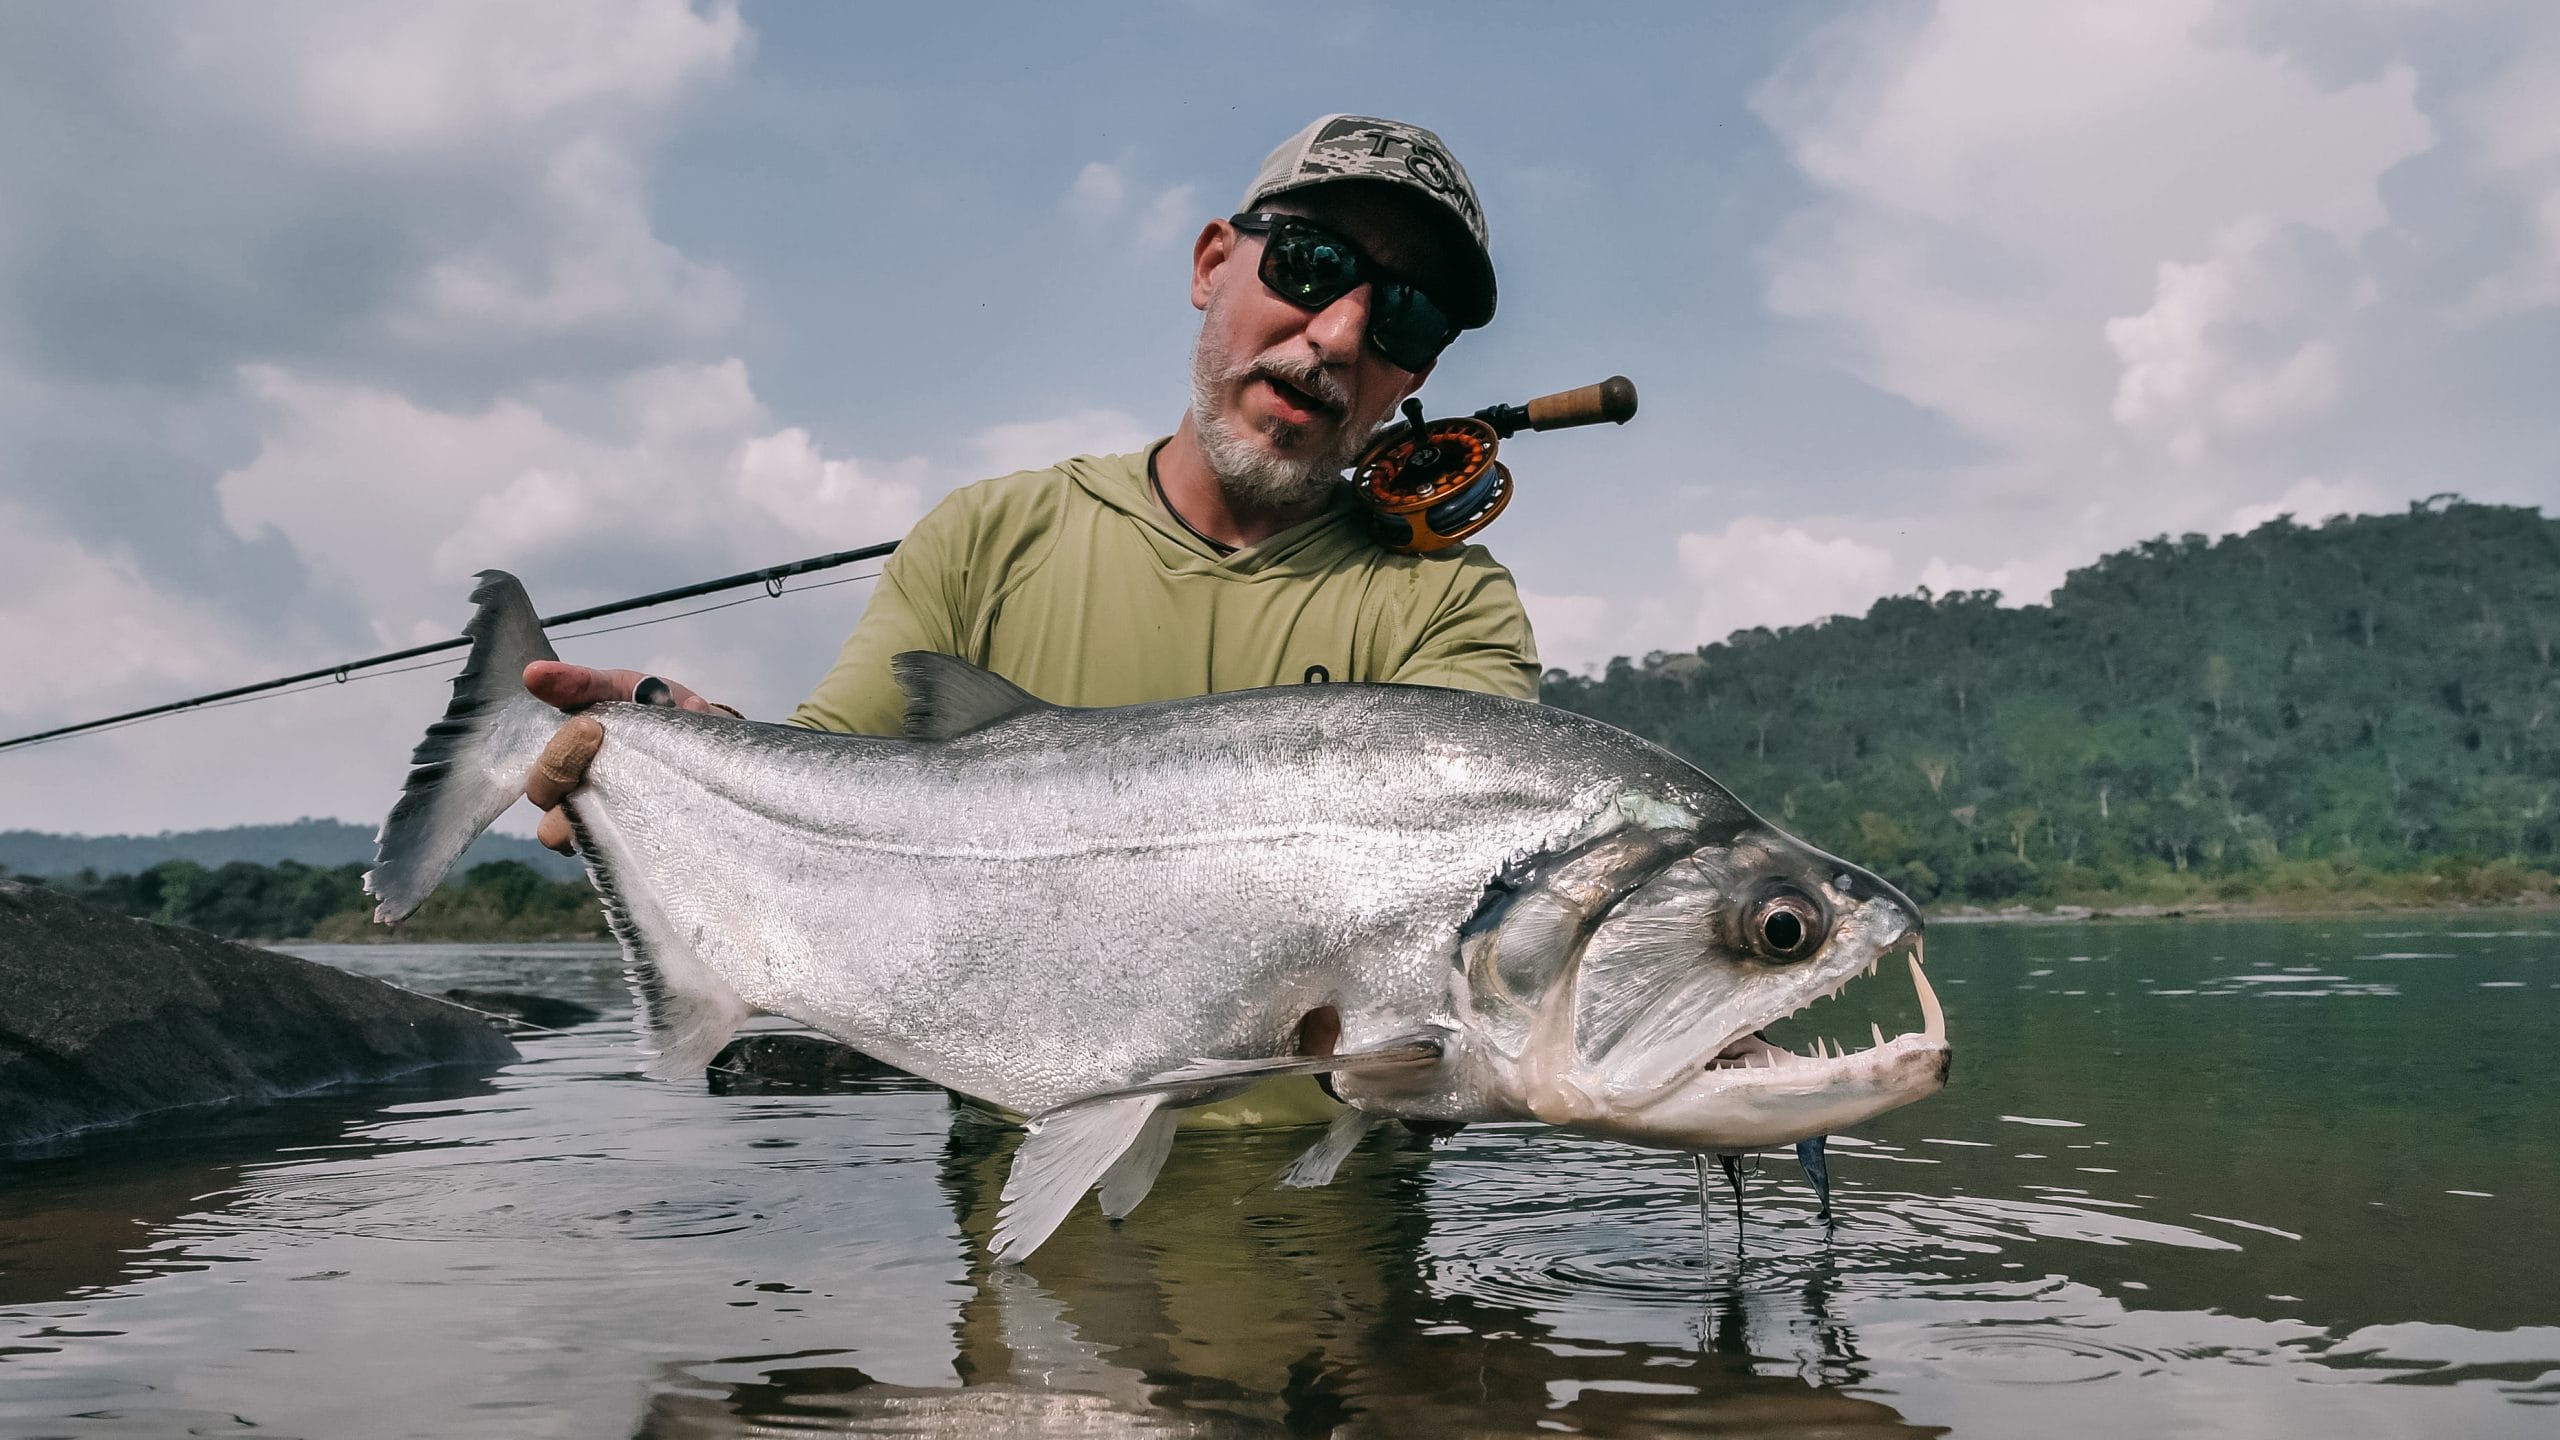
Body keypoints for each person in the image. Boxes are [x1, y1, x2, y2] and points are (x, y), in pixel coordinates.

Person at [521, 115, 1539, 1121]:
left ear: (1419, 374)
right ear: (1210, 263)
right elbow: (825, 780)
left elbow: (1484, 943)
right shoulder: (985, 538)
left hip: (1343, 1255)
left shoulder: (1451, 605)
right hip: (1012, 1231)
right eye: (1311, 265)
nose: (1341, 333)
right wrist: (673, 762)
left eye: (1404, 317)